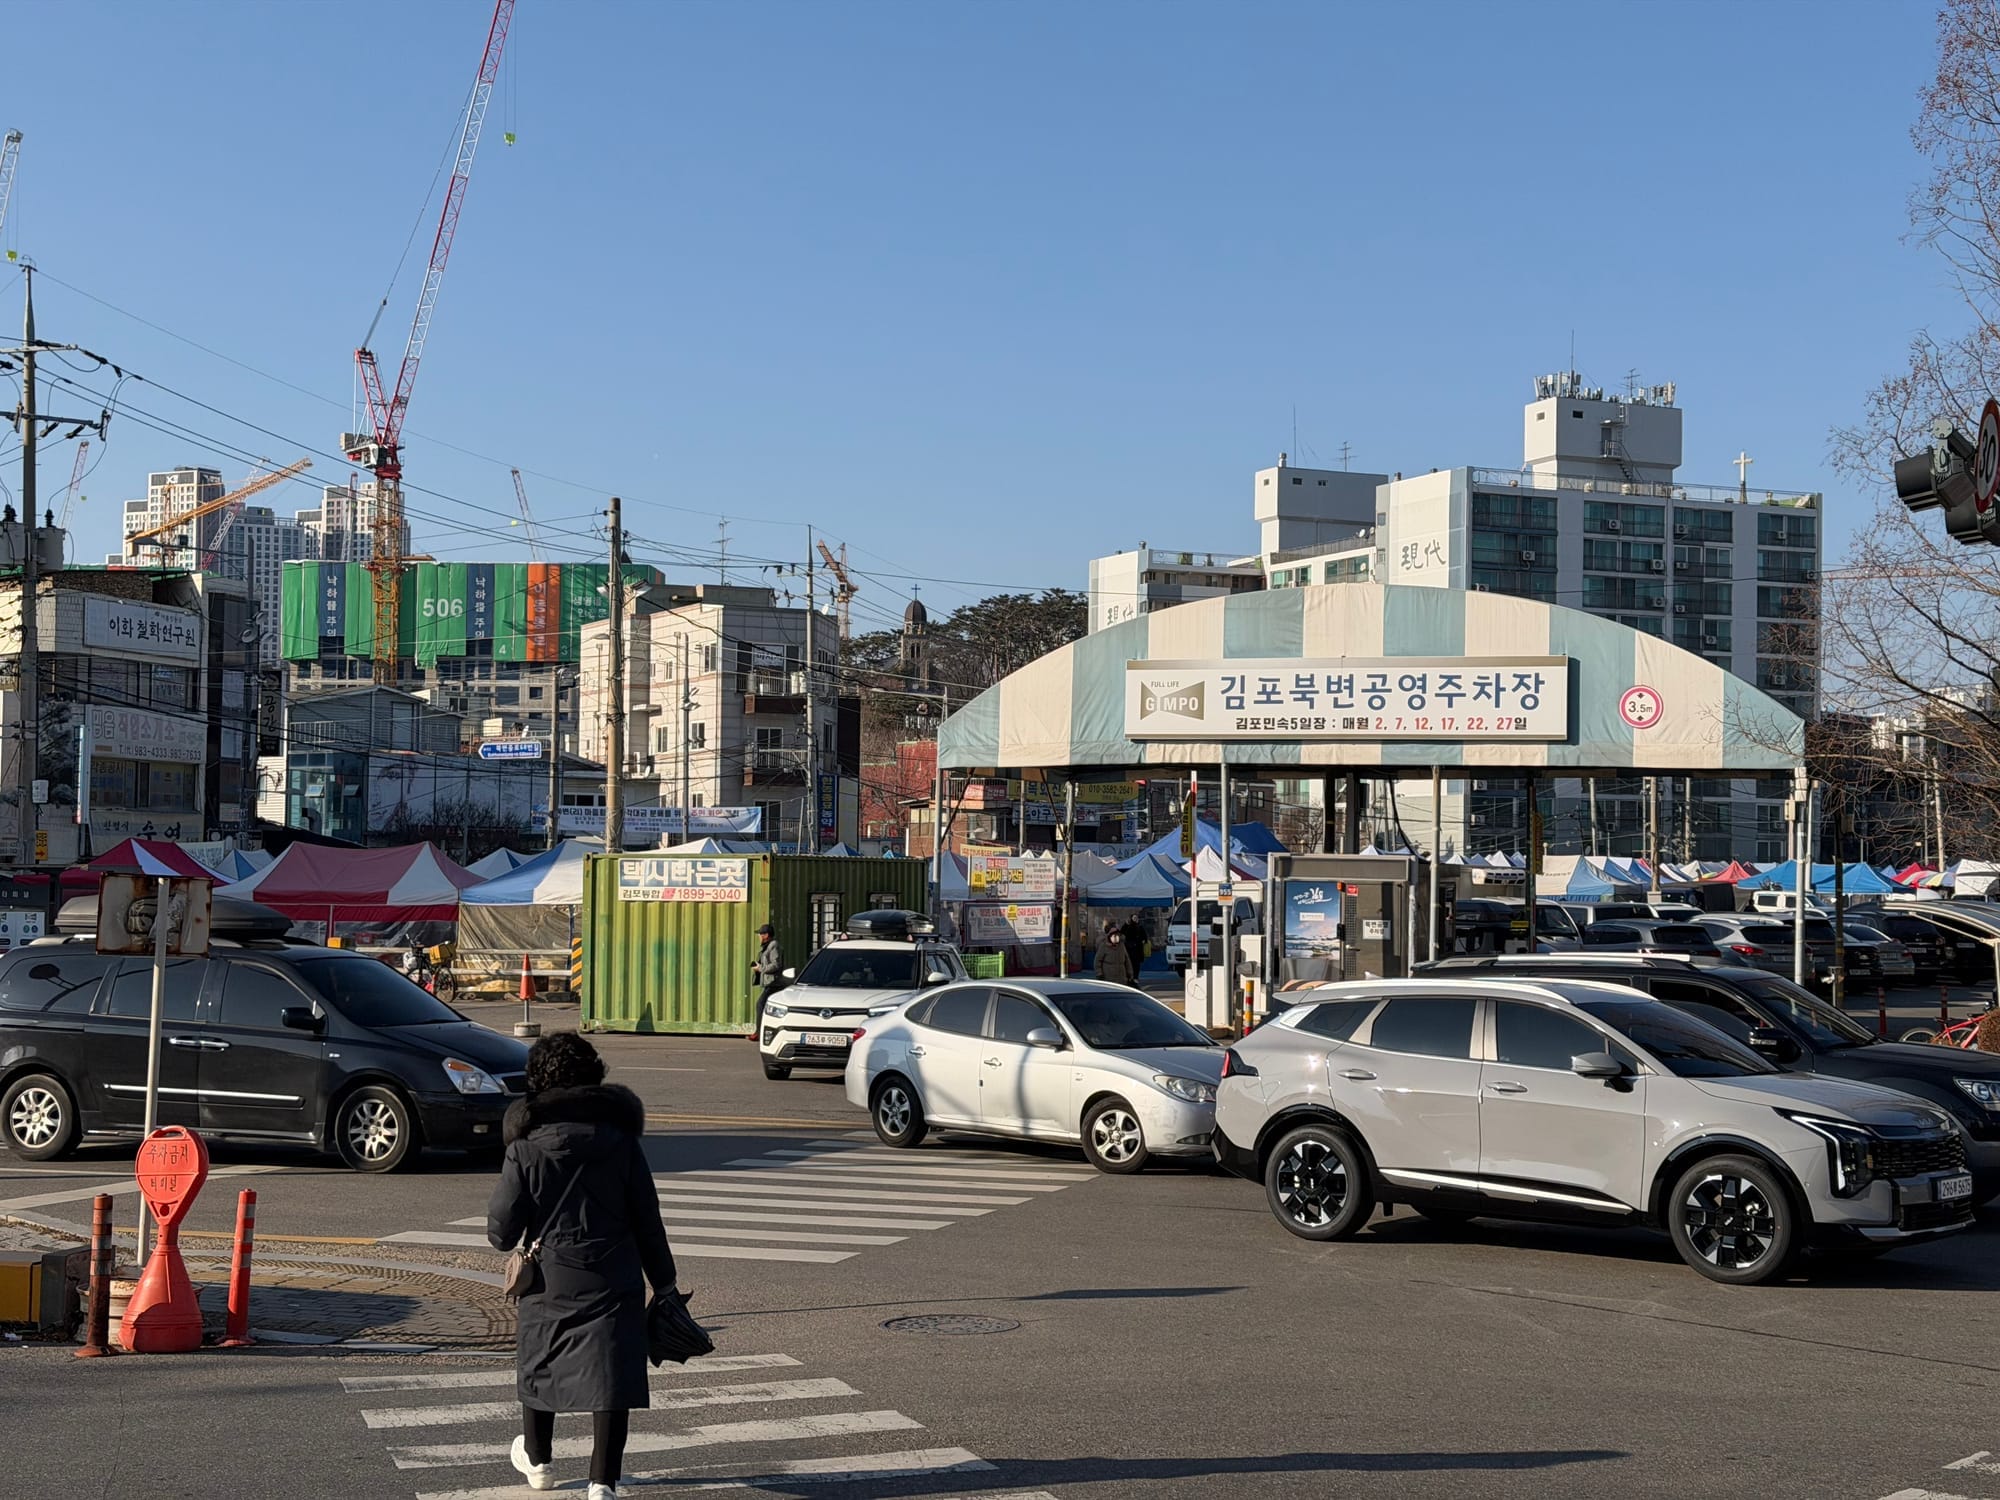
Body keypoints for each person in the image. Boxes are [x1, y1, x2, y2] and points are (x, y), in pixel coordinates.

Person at [487, 1033, 677, 1500]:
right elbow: (647, 1219)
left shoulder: (525, 1147)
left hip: (550, 1277)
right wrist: (666, 1284)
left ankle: (539, 1461)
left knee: (540, 1364)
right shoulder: (622, 1141)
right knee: (610, 1376)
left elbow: (501, 1232)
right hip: (614, 1276)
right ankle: (602, 1483)